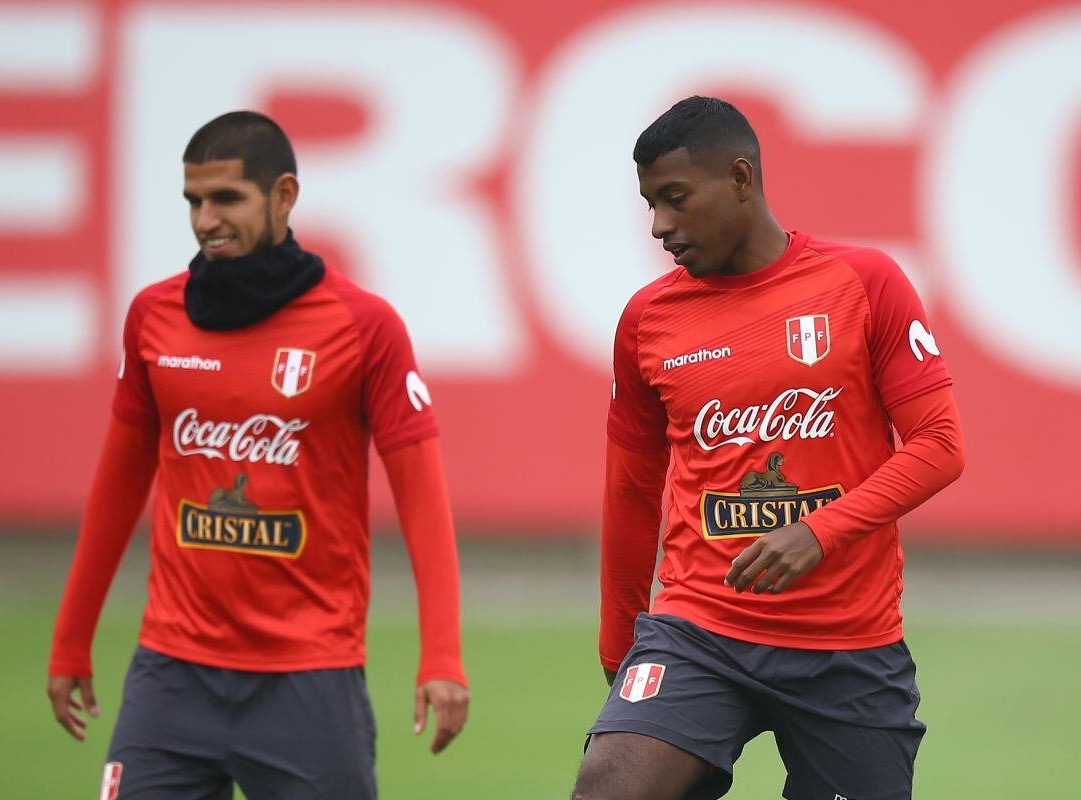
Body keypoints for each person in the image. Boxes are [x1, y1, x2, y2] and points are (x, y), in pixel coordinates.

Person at [47, 110, 469, 800]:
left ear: (282, 197)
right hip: (170, 677)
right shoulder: (153, 316)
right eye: (193, 201)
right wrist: (71, 639)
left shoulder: (364, 328)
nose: (205, 218)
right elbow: (119, 484)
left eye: (226, 199)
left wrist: (443, 654)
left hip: (309, 681)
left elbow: (423, 498)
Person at [572, 96, 965, 800]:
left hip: (847, 644)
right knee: (610, 785)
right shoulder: (647, 320)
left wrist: (819, 532)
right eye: (650, 204)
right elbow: (631, 490)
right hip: (700, 631)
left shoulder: (863, 283)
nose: (660, 226)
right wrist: (619, 645)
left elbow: (940, 445)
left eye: (676, 199)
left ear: (741, 178)